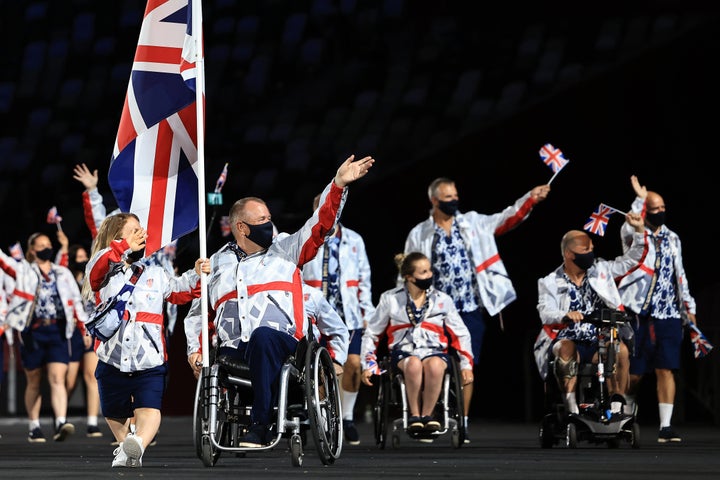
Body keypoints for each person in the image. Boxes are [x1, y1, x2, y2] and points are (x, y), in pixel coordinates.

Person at [185, 154, 374, 447]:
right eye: (262, 221)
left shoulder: (285, 250)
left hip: (286, 347)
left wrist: (337, 185)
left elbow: (319, 225)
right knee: (235, 349)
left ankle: (262, 425)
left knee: (263, 337)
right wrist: (194, 350)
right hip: (235, 349)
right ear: (241, 228)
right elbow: (198, 312)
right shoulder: (217, 262)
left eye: (270, 219)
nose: (269, 225)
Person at [403, 177, 550, 441]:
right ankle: (429, 416)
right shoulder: (419, 233)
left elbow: (506, 219)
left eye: (455, 195)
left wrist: (530, 198)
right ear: (434, 201)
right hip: (433, 311)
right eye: (448, 197)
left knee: (465, 365)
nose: (454, 201)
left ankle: (463, 422)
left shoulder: (473, 223)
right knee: (431, 363)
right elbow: (408, 271)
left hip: (469, 308)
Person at [83, 212, 210, 467]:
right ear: (118, 236)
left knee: (150, 408)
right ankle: (125, 448)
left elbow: (181, 291)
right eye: (135, 231)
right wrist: (121, 248)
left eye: (142, 230)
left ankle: (138, 445)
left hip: (150, 360)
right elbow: (97, 273)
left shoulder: (156, 273)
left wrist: (197, 274)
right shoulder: (102, 265)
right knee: (114, 411)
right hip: (112, 358)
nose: (143, 235)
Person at [535, 214, 645, 417]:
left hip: (598, 341)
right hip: (569, 339)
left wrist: (639, 231)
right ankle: (572, 408)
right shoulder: (549, 281)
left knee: (619, 350)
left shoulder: (601, 271)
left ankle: (616, 405)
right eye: (585, 250)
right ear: (569, 254)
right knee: (564, 350)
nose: (591, 254)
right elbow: (545, 312)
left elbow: (632, 260)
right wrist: (565, 315)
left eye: (592, 248)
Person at [616, 175, 698, 443]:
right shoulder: (633, 233)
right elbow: (632, 228)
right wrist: (639, 197)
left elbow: (680, 274)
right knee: (636, 373)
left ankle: (665, 427)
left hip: (669, 312)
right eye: (655, 209)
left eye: (663, 208)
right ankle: (624, 415)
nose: (660, 212)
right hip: (639, 311)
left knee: (667, 368)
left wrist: (689, 306)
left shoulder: (673, 238)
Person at [361, 252, 473, 433]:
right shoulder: (390, 299)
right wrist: (368, 364)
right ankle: (414, 415)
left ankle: (428, 416)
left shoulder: (442, 300)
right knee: (413, 364)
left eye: (429, 271)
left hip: (434, 351)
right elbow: (372, 333)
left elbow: (462, 334)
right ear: (409, 277)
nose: (429, 275)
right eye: (424, 272)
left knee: (436, 365)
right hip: (403, 353)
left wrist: (466, 365)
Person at [301, 192, 375, 445]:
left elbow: (363, 279)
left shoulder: (354, 239)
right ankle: (322, 417)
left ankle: (347, 417)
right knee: (320, 368)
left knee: (353, 364)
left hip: (349, 314)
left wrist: (368, 313)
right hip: (315, 317)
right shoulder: (303, 238)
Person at [0, 232, 88, 443]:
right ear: (32, 249)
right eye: (41, 245)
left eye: (48, 244)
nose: (46, 247)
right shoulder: (23, 270)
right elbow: (4, 262)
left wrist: (84, 329)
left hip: (57, 329)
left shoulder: (62, 272)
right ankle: (35, 426)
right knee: (34, 380)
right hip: (32, 330)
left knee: (58, 378)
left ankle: (60, 422)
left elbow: (76, 301)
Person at [58, 238, 103, 438]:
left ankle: (92, 422)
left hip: (89, 332)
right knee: (69, 381)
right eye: (80, 258)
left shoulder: (90, 280)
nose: (83, 260)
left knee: (91, 376)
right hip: (70, 333)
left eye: (86, 257)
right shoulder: (65, 279)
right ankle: (61, 417)